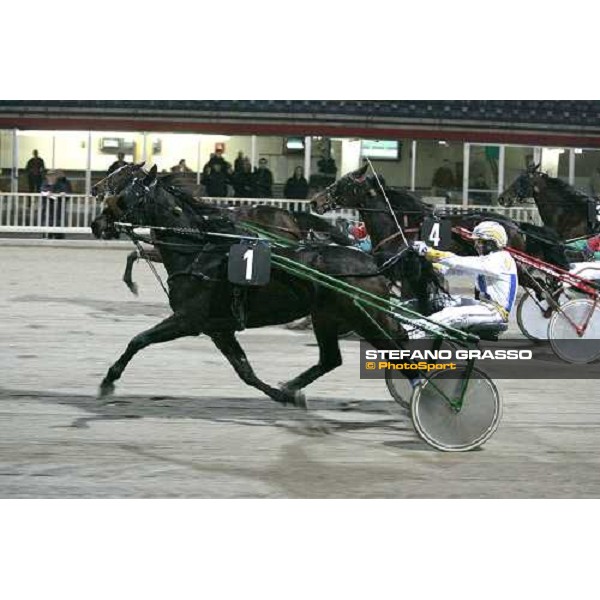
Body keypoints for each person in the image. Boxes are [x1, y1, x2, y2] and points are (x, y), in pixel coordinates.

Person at [410, 221, 517, 337]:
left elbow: (458, 262)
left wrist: (429, 252)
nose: (475, 245)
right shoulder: (488, 260)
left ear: (491, 243)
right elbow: (456, 272)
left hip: (496, 312)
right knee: (442, 297)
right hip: (483, 305)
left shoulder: (500, 259)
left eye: (479, 241)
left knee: (451, 314)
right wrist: (431, 265)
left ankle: (411, 333)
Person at [41, 170, 73, 239]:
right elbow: (42, 191)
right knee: (47, 225)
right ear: (46, 176)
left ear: (56, 177)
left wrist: (63, 194)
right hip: (47, 210)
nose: (51, 177)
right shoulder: (44, 184)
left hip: (59, 209)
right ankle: (46, 237)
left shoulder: (60, 184)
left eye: (53, 176)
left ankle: (59, 238)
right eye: (49, 176)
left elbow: (66, 192)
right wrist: (47, 193)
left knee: (59, 225)